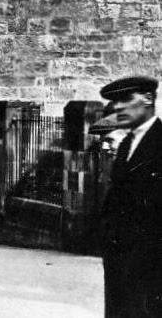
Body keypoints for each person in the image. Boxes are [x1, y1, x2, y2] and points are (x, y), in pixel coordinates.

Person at [99, 75, 162, 317]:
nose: (118, 107)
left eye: (126, 98)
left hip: (151, 272)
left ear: (148, 99)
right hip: (119, 267)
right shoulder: (126, 144)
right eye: (116, 101)